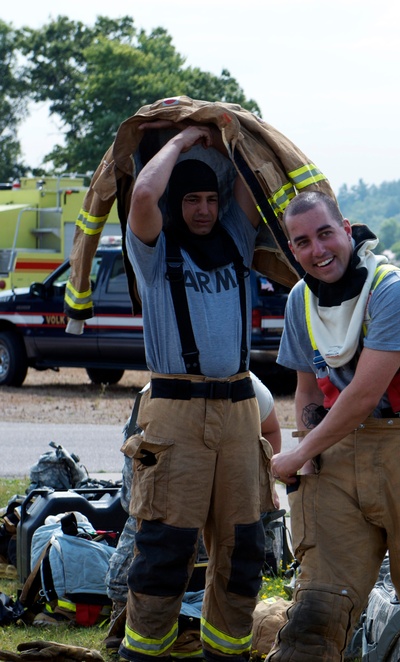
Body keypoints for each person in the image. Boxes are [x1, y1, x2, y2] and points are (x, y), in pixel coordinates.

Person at [266, 191, 400, 661]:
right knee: (315, 614)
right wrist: (310, 455)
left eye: (325, 233)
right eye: (302, 242)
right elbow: (308, 391)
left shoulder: (395, 291)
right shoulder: (300, 301)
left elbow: (364, 395)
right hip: (335, 457)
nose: (318, 250)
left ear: (347, 228)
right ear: (291, 249)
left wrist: (298, 454)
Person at [120, 122, 267, 661]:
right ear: (176, 203)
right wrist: (179, 143)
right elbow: (141, 194)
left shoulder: (236, 238)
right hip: (176, 413)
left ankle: (225, 653)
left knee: (244, 547)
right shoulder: (154, 253)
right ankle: (144, 653)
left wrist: (228, 137)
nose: (203, 210)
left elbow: (254, 179)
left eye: (210, 199)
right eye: (191, 201)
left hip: (239, 410)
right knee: (165, 548)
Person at [104, 373, 283, 656]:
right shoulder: (161, 389)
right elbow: (131, 495)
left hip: (228, 472)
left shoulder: (248, 388)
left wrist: (264, 477)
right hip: (173, 466)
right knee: (161, 553)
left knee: (239, 555)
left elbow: (271, 430)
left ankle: (218, 647)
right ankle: (135, 635)